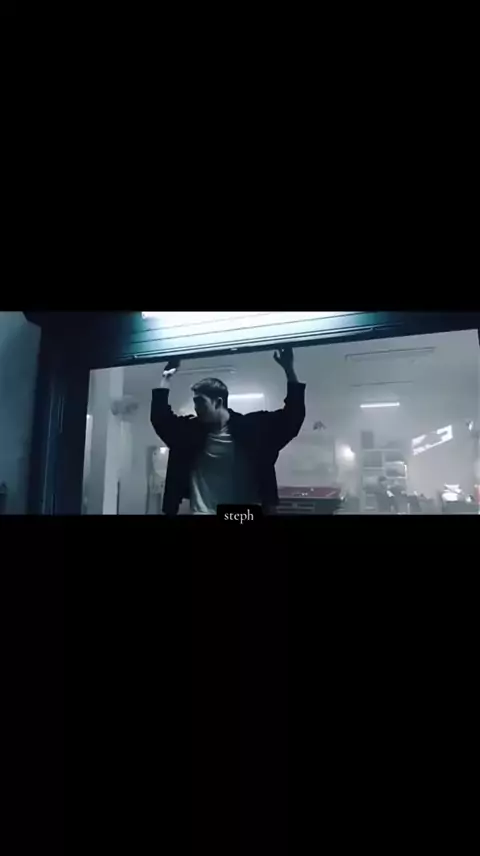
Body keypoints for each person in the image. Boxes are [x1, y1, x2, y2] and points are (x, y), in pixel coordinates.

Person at [150, 346, 306, 515]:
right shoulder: (190, 432)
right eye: (195, 403)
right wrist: (166, 378)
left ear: (218, 402)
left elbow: (292, 418)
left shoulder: (252, 429)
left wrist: (289, 370)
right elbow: (160, 419)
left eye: (200, 402)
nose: (196, 408)